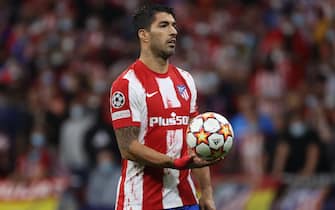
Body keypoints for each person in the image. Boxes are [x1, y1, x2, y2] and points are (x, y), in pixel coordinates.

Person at [109, 4, 220, 210]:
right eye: (164, 25)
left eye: (174, 26)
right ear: (144, 35)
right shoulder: (126, 84)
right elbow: (128, 148)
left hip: (185, 200)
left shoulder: (185, 80)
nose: (173, 31)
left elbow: (194, 140)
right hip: (141, 202)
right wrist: (174, 162)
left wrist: (206, 192)